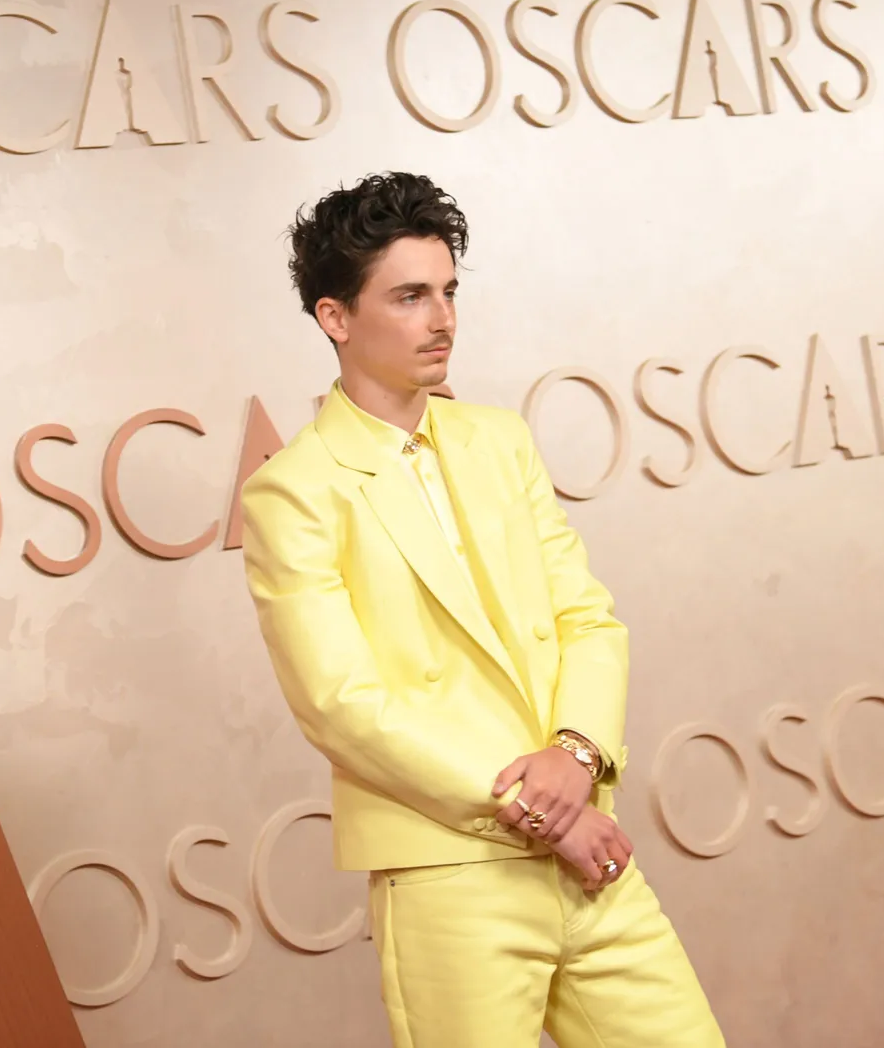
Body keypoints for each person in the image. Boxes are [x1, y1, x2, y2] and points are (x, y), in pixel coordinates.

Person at [240, 172, 724, 1047]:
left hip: (586, 851)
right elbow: (342, 706)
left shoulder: (498, 440)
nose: (443, 319)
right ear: (335, 318)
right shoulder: (294, 491)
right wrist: (552, 813)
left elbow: (587, 618)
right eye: (411, 295)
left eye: (450, 291)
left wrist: (577, 757)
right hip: (450, 869)